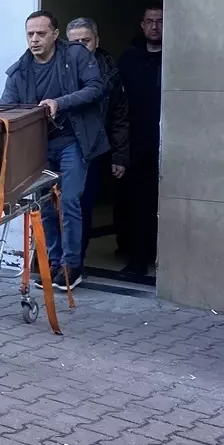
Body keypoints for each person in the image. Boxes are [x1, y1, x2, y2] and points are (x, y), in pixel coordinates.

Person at [0, 11, 106, 291]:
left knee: (69, 201)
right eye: (30, 34)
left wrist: (60, 102)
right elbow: (6, 109)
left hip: (73, 141)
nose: (34, 39)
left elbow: (97, 88)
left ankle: (72, 267)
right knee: (45, 206)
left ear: (55, 35)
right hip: (40, 147)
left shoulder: (75, 56)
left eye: (41, 33)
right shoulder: (19, 71)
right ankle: (52, 264)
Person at [65, 18, 129, 271]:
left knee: (82, 206)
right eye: (75, 42)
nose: (81, 47)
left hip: (93, 149)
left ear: (97, 41)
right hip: (62, 148)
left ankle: (74, 263)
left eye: (86, 41)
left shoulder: (109, 71)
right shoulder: (58, 68)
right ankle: (55, 262)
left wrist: (120, 155)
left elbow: (119, 115)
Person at [117, 6, 163, 277]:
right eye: (150, 21)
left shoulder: (175, 58)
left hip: (167, 142)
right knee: (135, 202)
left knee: (158, 202)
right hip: (135, 142)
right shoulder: (129, 59)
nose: (155, 27)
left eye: (160, 21)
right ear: (142, 25)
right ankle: (136, 257)